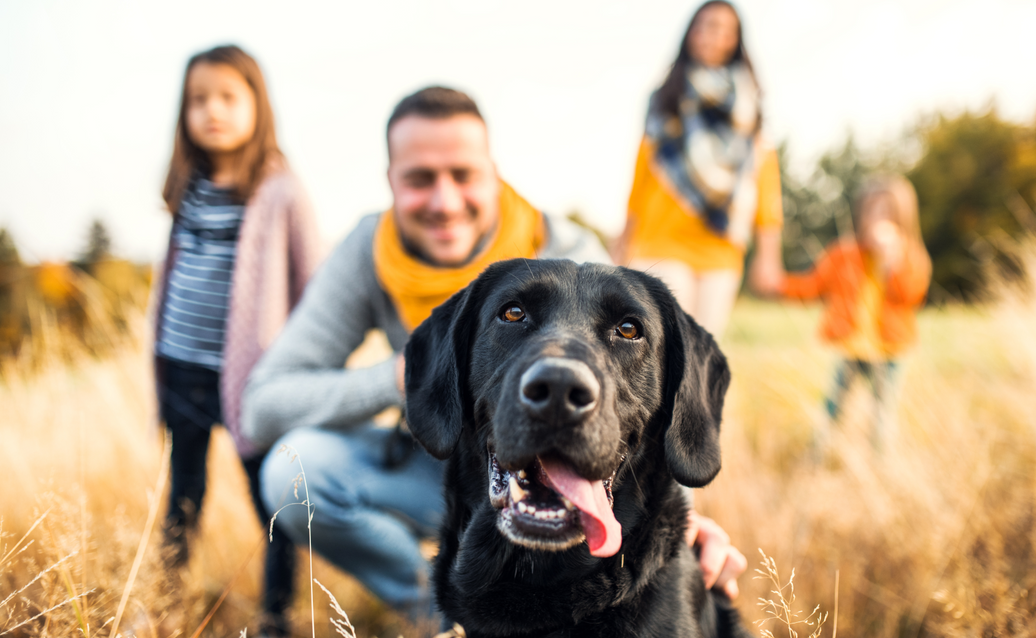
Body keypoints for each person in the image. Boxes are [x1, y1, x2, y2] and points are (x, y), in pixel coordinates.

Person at [242, 87, 748, 628]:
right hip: (449, 454)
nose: (444, 200)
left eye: (462, 175)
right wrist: (408, 377)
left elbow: (637, 394)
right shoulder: (369, 251)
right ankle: (444, 614)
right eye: (420, 179)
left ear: (494, 173)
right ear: (390, 181)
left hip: (583, 463)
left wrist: (684, 521)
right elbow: (263, 405)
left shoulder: (571, 252)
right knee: (294, 472)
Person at [152, 44, 322, 637]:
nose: (212, 111)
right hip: (182, 367)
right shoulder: (188, 186)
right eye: (199, 100)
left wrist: (302, 369)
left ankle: (277, 613)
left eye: (228, 97)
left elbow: (314, 287)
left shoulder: (281, 189)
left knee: (272, 497)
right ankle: (165, 600)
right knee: (183, 494)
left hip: (254, 380)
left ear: (257, 105)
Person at [618, 0, 784, 337]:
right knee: (662, 343)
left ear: (735, 41)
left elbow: (764, 181)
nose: (714, 35)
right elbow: (642, 176)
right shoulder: (665, 98)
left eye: (725, 29)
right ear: (691, 33)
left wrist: (769, 256)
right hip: (660, 241)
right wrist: (622, 241)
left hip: (720, 248)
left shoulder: (749, 108)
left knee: (702, 352)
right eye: (707, 25)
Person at [776, 175, 932, 452]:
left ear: (903, 217)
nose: (877, 219)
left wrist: (892, 262)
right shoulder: (843, 254)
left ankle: (880, 461)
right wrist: (778, 284)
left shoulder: (911, 256)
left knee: (883, 412)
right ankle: (817, 454)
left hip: (890, 351)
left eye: (887, 212)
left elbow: (911, 295)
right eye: (871, 211)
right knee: (833, 405)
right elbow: (813, 285)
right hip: (851, 347)